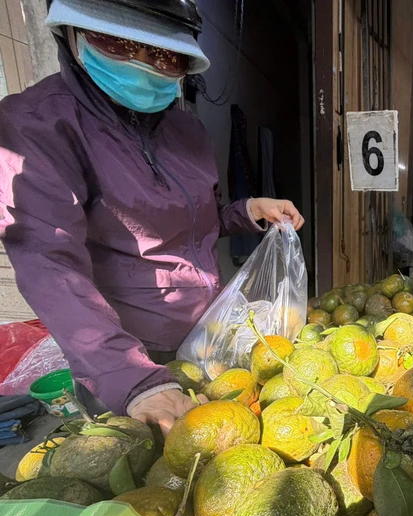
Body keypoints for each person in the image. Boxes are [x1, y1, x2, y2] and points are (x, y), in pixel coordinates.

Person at [0, 0, 304, 433]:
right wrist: (130, 379)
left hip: (202, 336)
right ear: (71, 35)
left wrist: (246, 211)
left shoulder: (186, 130)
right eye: (121, 44)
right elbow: (49, 262)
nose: (144, 64)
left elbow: (193, 219)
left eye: (163, 55)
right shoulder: (39, 125)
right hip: (126, 355)